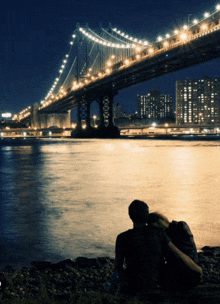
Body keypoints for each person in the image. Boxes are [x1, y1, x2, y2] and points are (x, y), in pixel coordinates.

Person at [105, 200, 202, 295]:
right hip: (157, 282)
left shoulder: (122, 237)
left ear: (130, 216)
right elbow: (180, 256)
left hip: (134, 284)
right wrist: (198, 269)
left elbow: (118, 267)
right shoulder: (159, 234)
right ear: (146, 215)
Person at [147, 212, 199, 289]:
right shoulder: (182, 225)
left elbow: (180, 256)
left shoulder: (167, 234)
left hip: (184, 273)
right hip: (192, 272)